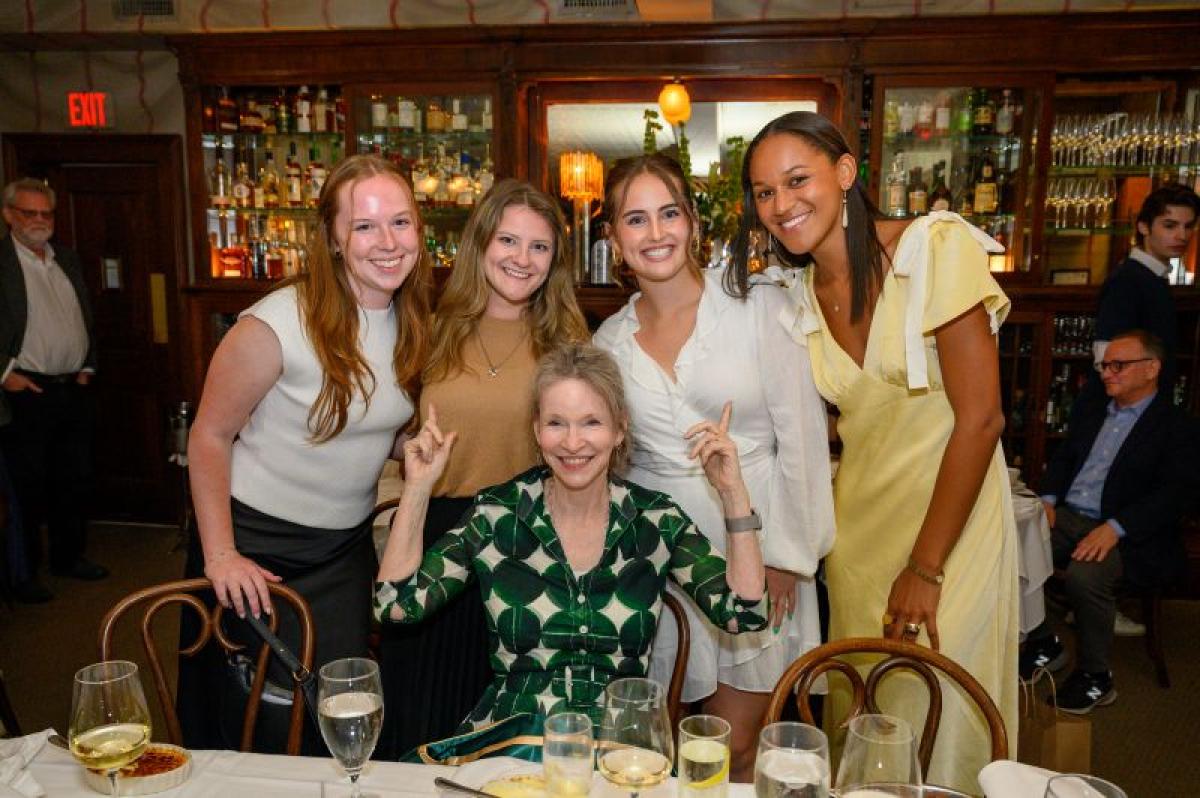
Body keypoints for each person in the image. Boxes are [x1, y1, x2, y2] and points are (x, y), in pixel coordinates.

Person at [734, 111, 1019, 793]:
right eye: (764, 192)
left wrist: (926, 566)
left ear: (845, 172)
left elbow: (981, 419)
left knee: (945, 715)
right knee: (866, 721)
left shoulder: (933, 249)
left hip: (954, 531)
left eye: (797, 179)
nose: (781, 204)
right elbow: (840, 422)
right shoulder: (798, 294)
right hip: (858, 537)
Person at [375, 343, 769, 733]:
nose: (573, 442)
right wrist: (418, 486)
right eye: (556, 423)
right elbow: (396, 605)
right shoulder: (497, 515)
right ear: (537, 430)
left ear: (620, 430)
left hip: (619, 752)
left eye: (592, 422)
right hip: (516, 745)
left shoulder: (655, 520)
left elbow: (745, 613)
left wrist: (733, 493)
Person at [593, 153, 834, 782]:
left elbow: (803, 440)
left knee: (737, 747)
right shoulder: (607, 345)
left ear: (693, 222)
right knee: (662, 749)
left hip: (756, 547)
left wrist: (788, 555)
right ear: (613, 237)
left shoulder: (760, 307)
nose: (656, 233)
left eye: (669, 213)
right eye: (635, 219)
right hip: (658, 565)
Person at [179, 154, 431, 752]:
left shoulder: (411, 317)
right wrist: (221, 556)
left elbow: (372, 423)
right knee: (251, 727)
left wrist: (411, 447)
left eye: (400, 222)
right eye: (364, 226)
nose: (387, 242)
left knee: (341, 718)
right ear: (335, 240)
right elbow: (209, 436)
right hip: (252, 547)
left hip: (340, 553)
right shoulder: (274, 325)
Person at [378, 179, 588, 759]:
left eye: (539, 247)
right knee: (423, 720)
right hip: (435, 537)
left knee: (509, 739)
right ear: (480, 244)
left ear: (554, 261)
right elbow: (393, 426)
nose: (522, 259)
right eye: (508, 240)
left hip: (528, 549)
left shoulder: (567, 341)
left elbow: (587, 448)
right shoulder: (428, 327)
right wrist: (410, 451)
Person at [1023, 330, 1199, 713]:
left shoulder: (1175, 426)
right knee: (1011, 548)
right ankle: (1042, 641)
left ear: (1151, 368)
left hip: (1132, 533)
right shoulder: (1094, 412)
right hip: (1069, 516)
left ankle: (1096, 677)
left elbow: (1175, 494)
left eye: (1118, 365)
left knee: (1086, 575)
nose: (1107, 373)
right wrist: (1049, 500)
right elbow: (1065, 458)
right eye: (1105, 365)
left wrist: (1116, 527)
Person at [0, 178, 104, 604]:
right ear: (9, 215)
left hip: (71, 386)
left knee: (73, 477)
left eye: (47, 214)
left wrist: (88, 363)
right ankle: (23, 574)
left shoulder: (68, 260)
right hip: (25, 389)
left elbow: (84, 314)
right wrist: (4, 373)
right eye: (30, 213)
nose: (40, 221)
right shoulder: (3, 262)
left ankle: (68, 557)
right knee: (27, 485)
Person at [1091, 184, 1199, 395]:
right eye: (1170, 226)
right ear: (1143, 227)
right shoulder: (1128, 280)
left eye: (1188, 227)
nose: (1182, 236)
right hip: (1121, 415)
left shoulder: (1152, 277)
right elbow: (1108, 362)